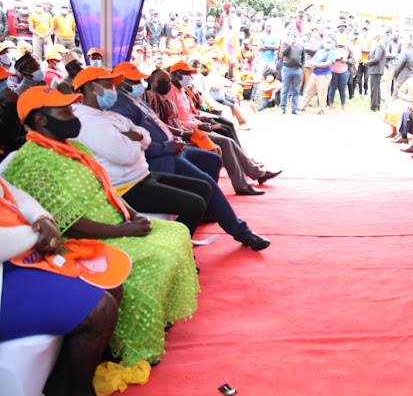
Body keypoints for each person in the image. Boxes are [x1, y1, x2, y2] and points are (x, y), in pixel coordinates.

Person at [5, 86, 200, 366]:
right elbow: (68, 225)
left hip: (115, 222)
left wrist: (130, 214)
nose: (73, 116)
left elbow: (107, 187)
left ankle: (149, 316)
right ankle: (129, 340)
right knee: (158, 255)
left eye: (72, 109)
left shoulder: (75, 148)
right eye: (65, 111)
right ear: (41, 120)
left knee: (177, 232)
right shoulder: (32, 162)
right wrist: (124, 231)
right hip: (84, 240)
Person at [110, 62, 271, 250]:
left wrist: (176, 135)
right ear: (121, 82)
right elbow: (139, 144)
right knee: (206, 184)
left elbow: (158, 124)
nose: (140, 82)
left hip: (173, 146)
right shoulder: (120, 106)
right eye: (135, 79)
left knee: (213, 160)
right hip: (160, 158)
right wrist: (169, 145)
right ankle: (242, 232)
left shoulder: (135, 99)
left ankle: (208, 210)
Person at [1, 176, 118, 396]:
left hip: (19, 255)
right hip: (10, 265)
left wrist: (42, 218)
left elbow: (9, 190)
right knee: (100, 309)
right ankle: (79, 392)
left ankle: (62, 385)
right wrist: (36, 235)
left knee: (110, 282)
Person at [70, 66, 211, 237]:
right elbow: (126, 155)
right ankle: (174, 245)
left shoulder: (107, 114)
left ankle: (178, 243)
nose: (113, 91)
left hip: (142, 176)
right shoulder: (87, 121)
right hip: (124, 188)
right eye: (108, 85)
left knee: (203, 187)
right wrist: (136, 139)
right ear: (91, 88)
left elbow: (145, 135)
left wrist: (134, 137)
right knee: (194, 204)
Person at [386, 61, 413, 140]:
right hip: (407, 100)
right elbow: (401, 92)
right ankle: (393, 131)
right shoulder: (411, 80)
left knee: (405, 110)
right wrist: (408, 98)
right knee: (392, 106)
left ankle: (401, 134)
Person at [301, 37, 335, 114]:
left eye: (330, 42)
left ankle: (321, 110)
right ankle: (303, 107)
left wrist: (317, 65)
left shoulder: (331, 53)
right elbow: (313, 59)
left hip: (324, 75)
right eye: (327, 42)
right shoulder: (320, 51)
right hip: (315, 74)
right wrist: (314, 64)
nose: (328, 44)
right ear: (323, 42)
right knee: (308, 90)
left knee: (322, 93)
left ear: (332, 44)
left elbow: (328, 63)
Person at [279, 28, 305, 114]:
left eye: (296, 34)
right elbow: (283, 53)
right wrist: (290, 45)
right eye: (292, 33)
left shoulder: (301, 44)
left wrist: (302, 68)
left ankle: (294, 109)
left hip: (297, 69)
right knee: (285, 89)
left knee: (295, 90)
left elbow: (303, 57)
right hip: (287, 68)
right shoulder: (286, 43)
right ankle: (282, 108)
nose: (294, 35)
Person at [366, 32, 387, 111]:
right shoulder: (380, 45)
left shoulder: (379, 45)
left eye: (375, 37)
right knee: (377, 89)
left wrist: (368, 62)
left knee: (374, 89)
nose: (374, 38)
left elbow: (377, 59)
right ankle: (377, 106)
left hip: (375, 70)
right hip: (376, 70)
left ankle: (374, 107)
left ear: (378, 37)